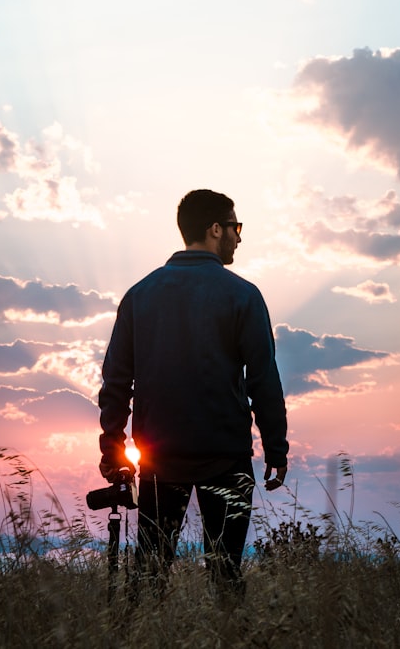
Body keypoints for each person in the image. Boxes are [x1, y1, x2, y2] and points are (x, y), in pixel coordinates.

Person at [97, 188, 289, 596]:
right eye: (236, 226)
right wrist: (276, 448)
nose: (239, 236)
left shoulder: (139, 295)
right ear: (215, 229)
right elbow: (263, 379)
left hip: (158, 460)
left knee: (149, 575)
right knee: (225, 576)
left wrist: (112, 448)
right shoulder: (243, 295)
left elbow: (115, 381)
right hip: (226, 458)